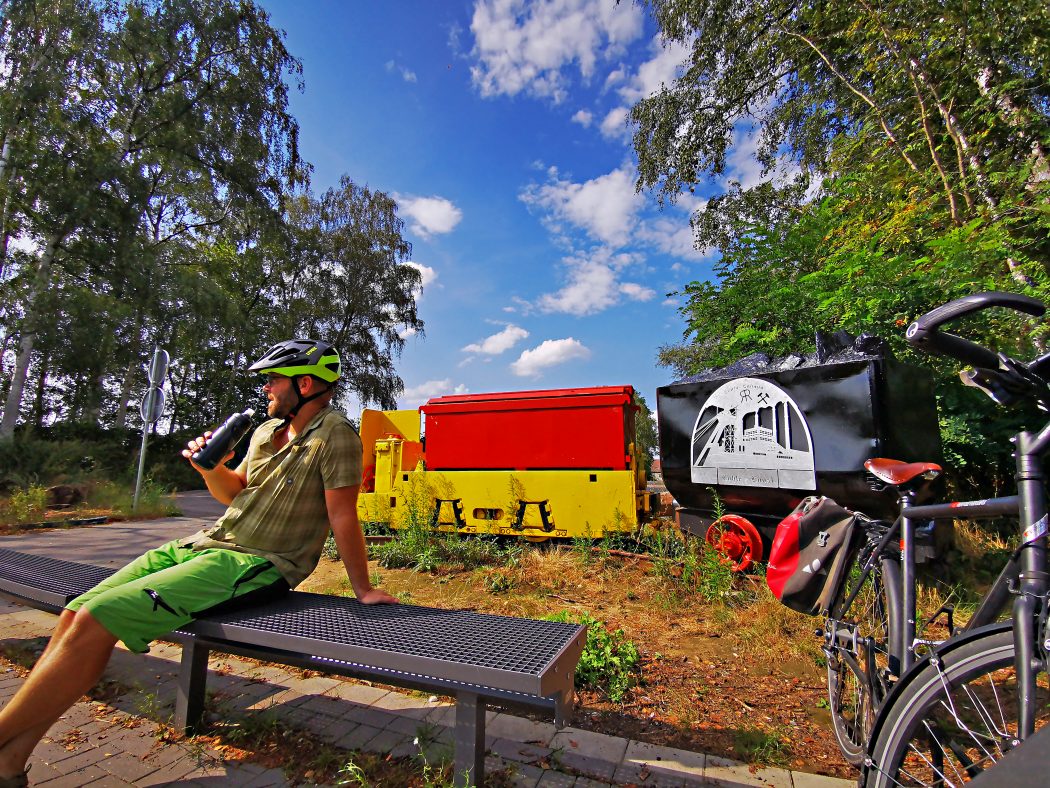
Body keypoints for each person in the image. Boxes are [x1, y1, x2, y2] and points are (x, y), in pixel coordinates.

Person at [0, 338, 396, 787]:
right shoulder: (266, 433)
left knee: (97, 616)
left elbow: (343, 514)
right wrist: (211, 469)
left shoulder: (336, 435)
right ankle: (9, 764)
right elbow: (234, 494)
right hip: (204, 544)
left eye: (273, 380)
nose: (266, 388)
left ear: (305, 384)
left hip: (256, 562)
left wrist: (362, 588)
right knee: (76, 610)